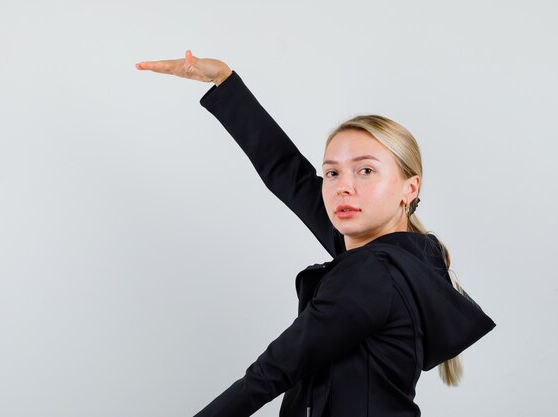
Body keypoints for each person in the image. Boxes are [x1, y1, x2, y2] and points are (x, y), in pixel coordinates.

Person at [135, 50, 496, 417]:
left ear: (409, 187)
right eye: (333, 173)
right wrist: (224, 81)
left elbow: (270, 373)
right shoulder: (410, 255)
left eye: (366, 171)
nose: (343, 187)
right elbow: (288, 173)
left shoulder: (371, 273)